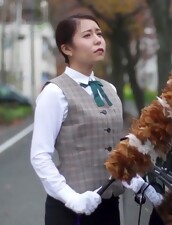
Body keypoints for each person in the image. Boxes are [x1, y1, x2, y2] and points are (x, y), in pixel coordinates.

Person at [30, 14, 124, 225]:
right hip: (71, 211)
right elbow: (39, 156)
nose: (98, 39)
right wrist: (72, 198)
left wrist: (134, 178)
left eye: (99, 34)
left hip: (109, 207)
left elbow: (115, 145)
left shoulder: (110, 89)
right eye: (87, 35)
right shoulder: (55, 92)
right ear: (67, 49)